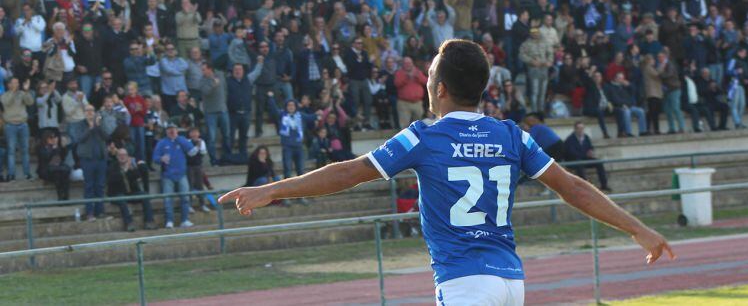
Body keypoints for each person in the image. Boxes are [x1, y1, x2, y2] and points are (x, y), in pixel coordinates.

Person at [221, 40, 674, 305]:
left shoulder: (423, 136)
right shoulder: (511, 135)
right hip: (510, 281)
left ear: (437, 89)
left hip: (464, 282)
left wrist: (272, 189)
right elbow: (574, 188)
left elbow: (350, 172)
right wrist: (638, 229)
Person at [152, 124, 197, 228]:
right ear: (166, 131)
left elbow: (192, 152)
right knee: (168, 199)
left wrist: (180, 140)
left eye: (173, 130)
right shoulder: (162, 143)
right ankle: (169, 221)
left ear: (177, 130)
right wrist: (161, 159)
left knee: (185, 198)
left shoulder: (182, 140)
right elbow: (155, 158)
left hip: (181, 174)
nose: (172, 131)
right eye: (169, 130)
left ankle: (185, 220)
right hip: (167, 175)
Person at [106, 148, 157, 232]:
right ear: (117, 157)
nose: (122, 157)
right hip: (117, 194)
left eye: (124, 155)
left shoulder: (131, 166)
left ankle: (149, 221)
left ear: (127, 156)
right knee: (122, 199)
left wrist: (132, 168)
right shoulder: (112, 166)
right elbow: (113, 180)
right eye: (120, 155)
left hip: (131, 193)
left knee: (144, 195)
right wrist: (125, 170)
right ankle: (129, 223)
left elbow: (137, 176)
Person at [76, 104, 110, 220]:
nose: (90, 112)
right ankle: (90, 213)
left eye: (92, 110)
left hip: (101, 159)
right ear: (84, 112)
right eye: (87, 110)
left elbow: (107, 137)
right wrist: (90, 128)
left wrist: (98, 127)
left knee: (100, 186)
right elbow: (79, 139)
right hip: (87, 160)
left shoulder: (100, 123)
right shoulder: (80, 124)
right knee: (89, 186)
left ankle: (100, 212)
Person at [1, 78, 34, 180]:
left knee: (25, 150)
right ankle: (11, 174)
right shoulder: (4, 95)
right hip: (10, 125)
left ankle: (27, 173)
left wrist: (26, 91)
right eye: (14, 83)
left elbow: (30, 102)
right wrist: (13, 92)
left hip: (23, 125)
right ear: (9, 85)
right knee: (11, 151)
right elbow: (7, 103)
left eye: (17, 82)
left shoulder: (22, 93)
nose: (16, 84)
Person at [564, 122, 610, 192]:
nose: (581, 130)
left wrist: (591, 151)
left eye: (582, 128)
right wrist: (585, 154)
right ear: (575, 129)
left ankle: (604, 185)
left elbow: (590, 147)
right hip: (574, 160)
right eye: (579, 128)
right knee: (579, 164)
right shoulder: (570, 139)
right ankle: (585, 188)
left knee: (598, 162)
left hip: (584, 159)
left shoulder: (586, 137)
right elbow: (572, 153)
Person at [37, 131, 71, 200]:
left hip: (58, 169)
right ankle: (60, 195)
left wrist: (63, 147)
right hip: (46, 170)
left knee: (64, 173)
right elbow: (46, 158)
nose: (53, 139)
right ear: (46, 139)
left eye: (55, 137)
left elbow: (63, 157)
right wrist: (54, 148)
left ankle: (65, 195)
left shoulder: (58, 147)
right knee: (57, 174)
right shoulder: (42, 148)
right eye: (51, 137)